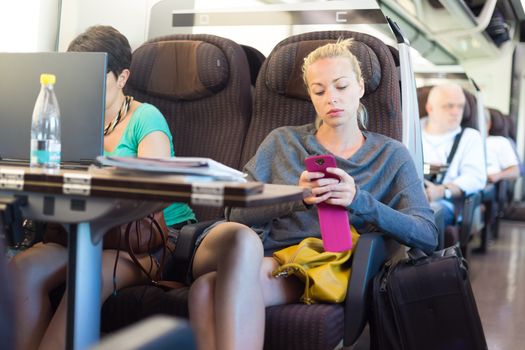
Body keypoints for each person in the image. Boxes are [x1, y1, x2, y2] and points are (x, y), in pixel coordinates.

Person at [187, 39, 438, 350]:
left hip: (323, 263)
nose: (331, 98)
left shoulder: (391, 155)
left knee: (208, 290)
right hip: (259, 252)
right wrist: (297, 196)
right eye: (319, 91)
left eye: (341, 86)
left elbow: (427, 234)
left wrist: (358, 200)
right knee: (220, 266)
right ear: (310, 96)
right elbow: (236, 215)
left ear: (360, 87)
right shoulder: (282, 141)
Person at [8, 25, 195, 350]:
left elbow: (153, 190)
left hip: (149, 239)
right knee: (21, 270)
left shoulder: (145, 118)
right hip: (79, 232)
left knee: (88, 279)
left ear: (122, 78)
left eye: (96, 79)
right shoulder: (62, 117)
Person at [421, 83, 486, 226]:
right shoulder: (410, 129)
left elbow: (475, 178)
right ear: (430, 108)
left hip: (444, 204)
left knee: (423, 216)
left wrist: (441, 191)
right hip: (409, 199)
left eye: (460, 106)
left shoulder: (470, 137)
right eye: (449, 106)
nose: (456, 112)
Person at [484, 108, 520, 183]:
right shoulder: (465, 141)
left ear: (489, 124)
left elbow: (515, 171)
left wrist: (497, 176)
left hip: (488, 185)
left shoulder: (500, 141)